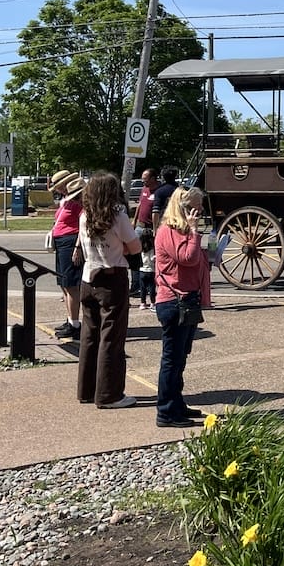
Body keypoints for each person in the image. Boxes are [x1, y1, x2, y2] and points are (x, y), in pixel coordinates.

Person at [75, 171, 142, 410]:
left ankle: (87, 389)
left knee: (89, 336)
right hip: (112, 278)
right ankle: (109, 394)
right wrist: (123, 247)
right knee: (111, 338)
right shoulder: (117, 216)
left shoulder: (85, 216)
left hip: (88, 277)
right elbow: (135, 247)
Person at [154, 186, 210, 428]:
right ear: (184, 209)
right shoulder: (168, 231)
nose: (199, 213)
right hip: (174, 301)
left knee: (180, 358)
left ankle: (176, 403)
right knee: (171, 359)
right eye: (195, 209)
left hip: (187, 301)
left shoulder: (182, 231)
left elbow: (193, 259)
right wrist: (195, 232)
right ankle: (166, 411)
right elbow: (186, 258)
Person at [50, 171, 86, 341]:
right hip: (61, 241)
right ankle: (70, 318)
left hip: (70, 242)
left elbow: (83, 224)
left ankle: (75, 324)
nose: (58, 189)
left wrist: (77, 247)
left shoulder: (77, 201)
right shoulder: (65, 200)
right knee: (64, 283)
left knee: (71, 284)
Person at [131, 167, 159, 295]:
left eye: (146, 180)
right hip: (140, 227)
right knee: (136, 255)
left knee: (151, 257)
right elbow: (140, 205)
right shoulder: (144, 189)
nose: (144, 182)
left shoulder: (159, 191)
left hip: (150, 228)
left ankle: (151, 285)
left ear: (153, 179)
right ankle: (136, 285)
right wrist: (134, 220)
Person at [151, 166, 179, 231]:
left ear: (163, 177)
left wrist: (155, 229)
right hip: (180, 223)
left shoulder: (159, 191)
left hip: (164, 224)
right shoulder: (182, 190)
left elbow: (155, 212)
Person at [138, 226, 156, 308]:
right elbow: (152, 259)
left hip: (142, 270)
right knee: (152, 287)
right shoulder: (152, 249)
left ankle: (143, 303)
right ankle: (152, 302)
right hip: (151, 270)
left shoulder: (140, 248)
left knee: (143, 288)